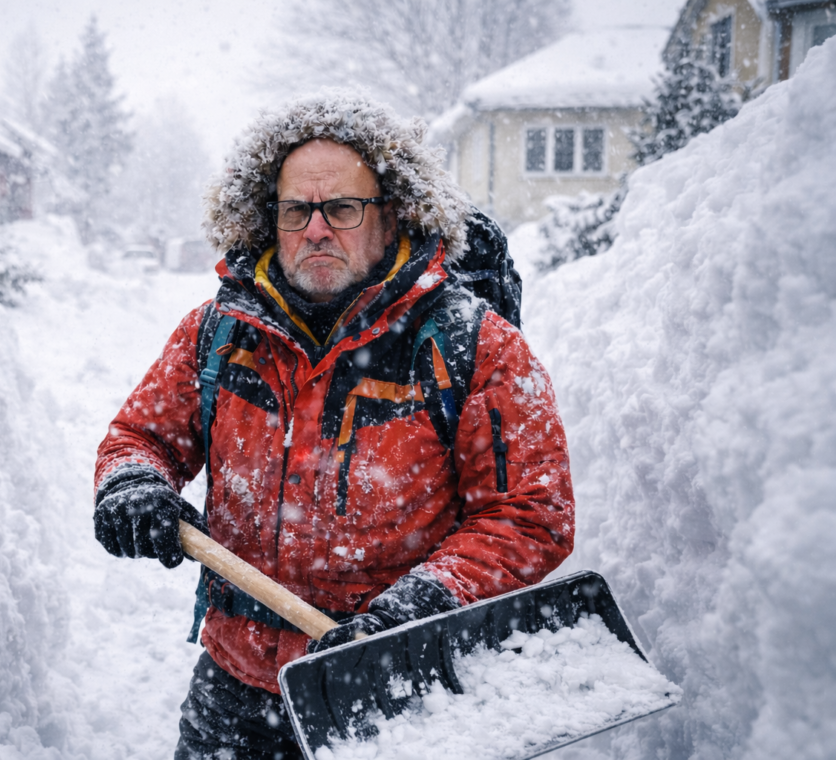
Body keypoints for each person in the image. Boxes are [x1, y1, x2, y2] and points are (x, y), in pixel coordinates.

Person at [93, 93, 575, 759]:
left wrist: (417, 607)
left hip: (396, 688)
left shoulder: (474, 345)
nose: (317, 229)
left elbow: (530, 511)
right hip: (237, 688)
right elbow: (139, 438)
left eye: (342, 209)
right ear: (270, 218)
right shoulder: (218, 332)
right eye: (297, 211)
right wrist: (131, 484)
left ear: (392, 214)